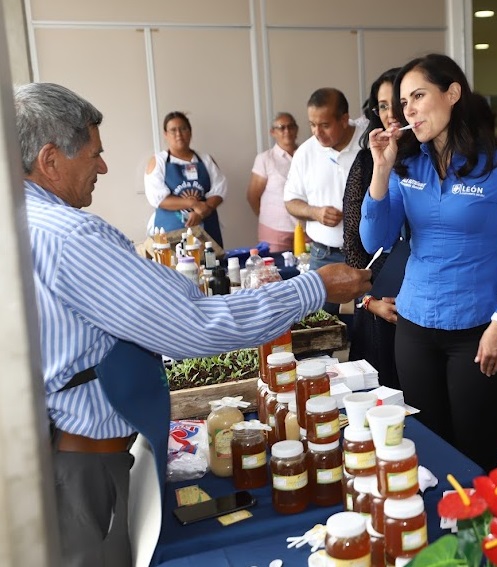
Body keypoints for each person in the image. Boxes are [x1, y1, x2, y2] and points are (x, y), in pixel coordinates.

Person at [16, 82, 371, 567]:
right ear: (51, 159)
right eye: (95, 155)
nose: (102, 168)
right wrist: (314, 288)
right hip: (81, 471)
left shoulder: (19, 222)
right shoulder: (71, 235)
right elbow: (194, 326)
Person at [360, 53, 497, 472]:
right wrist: (381, 171)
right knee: (427, 447)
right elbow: (377, 240)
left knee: (475, 452)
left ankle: (476, 536)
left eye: (419, 95)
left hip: (480, 329)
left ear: (453, 93)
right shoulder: (407, 163)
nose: (407, 109)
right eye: (402, 101)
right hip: (415, 325)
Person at [284, 88, 368, 314]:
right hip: (324, 255)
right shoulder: (306, 152)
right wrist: (316, 212)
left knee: (369, 327)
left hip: (368, 254)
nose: (317, 133)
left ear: (343, 119)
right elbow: (291, 201)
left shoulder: (368, 141)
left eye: (324, 125)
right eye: (312, 124)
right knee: (319, 325)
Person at [343, 68, 402, 390]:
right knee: (380, 396)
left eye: (397, 102)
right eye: (382, 106)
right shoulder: (367, 161)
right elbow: (353, 242)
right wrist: (368, 299)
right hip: (378, 296)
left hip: (426, 301)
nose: (391, 113)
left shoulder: (434, 159)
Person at [144, 111, 226, 247]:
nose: (179, 134)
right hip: (170, 231)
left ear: (190, 131)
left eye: (183, 128)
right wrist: (193, 204)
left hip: (207, 230)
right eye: (173, 130)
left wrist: (202, 212)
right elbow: (158, 198)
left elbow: (219, 190)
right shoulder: (158, 162)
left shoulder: (206, 159)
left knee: (211, 264)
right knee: (174, 266)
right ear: (165, 134)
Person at [246, 112, 300, 252]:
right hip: (274, 230)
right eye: (281, 127)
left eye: (291, 126)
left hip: (306, 227)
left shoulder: (306, 154)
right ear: (273, 132)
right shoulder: (265, 159)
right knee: (277, 271)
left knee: (307, 270)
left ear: (297, 129)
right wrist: (267, 216)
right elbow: (253, 196)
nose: (287, 131)